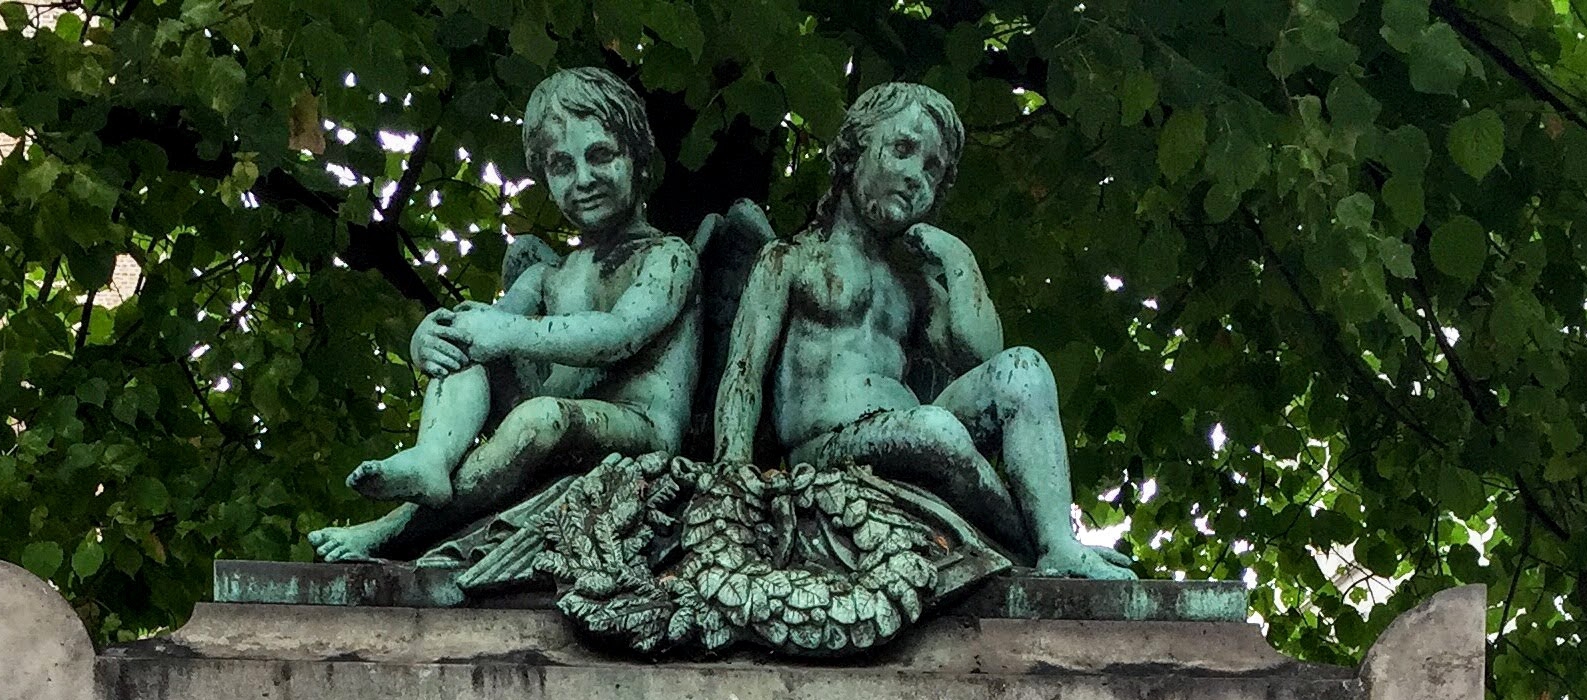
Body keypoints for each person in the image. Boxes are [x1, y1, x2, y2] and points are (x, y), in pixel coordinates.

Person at [713, 81, 1134, 578]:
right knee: (936, 429)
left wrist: (960, 260)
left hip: (915, 433)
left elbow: (983, 361)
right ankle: (1025, 541)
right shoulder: (790, 260)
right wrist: (731, 480)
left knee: (1025, 369)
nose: (916, 177)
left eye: (932, 170)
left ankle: (1057, 541)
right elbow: (742, 373)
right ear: (853, 151)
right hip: (826, 450)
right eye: (903, 150)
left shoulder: (912, 287)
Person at [308, 68, 700, 561]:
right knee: (469, 346)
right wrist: (433, 338)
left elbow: (620, 334)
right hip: (558, 417)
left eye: (600, 155)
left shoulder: (669, 256)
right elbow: (488, 330)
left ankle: (392, 531)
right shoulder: (546, 275)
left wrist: (505, 331)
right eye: (561, 165)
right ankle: (431, 457)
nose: (583, 179)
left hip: (640, 430)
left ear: (640, 161)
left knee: (537, 413)